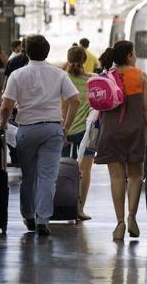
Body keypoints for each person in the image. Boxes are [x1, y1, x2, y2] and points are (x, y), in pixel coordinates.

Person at [0, 34, 81, 236]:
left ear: (26, 52)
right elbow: (75, 100)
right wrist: (66, 126)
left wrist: (2, 124)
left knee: (29, 176)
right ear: (47, 52)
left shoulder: (18, 75)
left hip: (27, 129)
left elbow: (7, 106)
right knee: (47, 177)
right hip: (52, 129)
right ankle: (43, 219)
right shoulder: (58, 74)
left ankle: (29, 215)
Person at [95, 40, 147, 240]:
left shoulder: (106, 76)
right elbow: (146, 109)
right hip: (135, 132)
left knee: (116, 178)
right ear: (130, 56)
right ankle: (132, 216)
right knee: (135, 176)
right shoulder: (139, 75)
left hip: (110, 132)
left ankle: (120, 223)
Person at [61, 46, 95, 220]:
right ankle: (79, 210)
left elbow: (64, 106)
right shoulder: (91, 81)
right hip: (87, 132)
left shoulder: (63, 80)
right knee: (85, 171)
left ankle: (62, 204)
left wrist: (63, 129)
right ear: (84, 60)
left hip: (64, 130)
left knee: (62, 169)